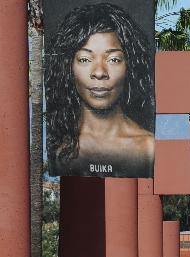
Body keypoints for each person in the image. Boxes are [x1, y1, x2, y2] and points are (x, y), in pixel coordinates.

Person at [46, 2, 155, 178]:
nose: (99, 72)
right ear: (68, 66)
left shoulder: (147, 148)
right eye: (84, 59)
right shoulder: (57, 147)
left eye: (113, 59)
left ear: (131, 66)